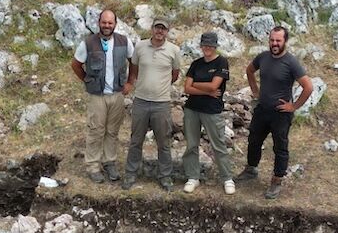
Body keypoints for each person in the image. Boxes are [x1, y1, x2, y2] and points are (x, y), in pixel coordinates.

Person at [240, 25, 313, 200]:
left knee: (280, 147)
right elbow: (249, 70)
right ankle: (251, 169)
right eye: (272, 40)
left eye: (278, 40)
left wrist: (293, 106)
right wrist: (255, 91)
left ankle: (277, 180)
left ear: (285, 41)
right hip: (262, 109)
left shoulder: (291, 62)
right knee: (254, 140)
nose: (274, 43)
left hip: (281, 113)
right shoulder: (263, 57)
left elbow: (308, 87)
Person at [71, 9, 131, 182]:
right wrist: (87, 81)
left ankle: (109, 162)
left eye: (110, 23)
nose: (107, 25)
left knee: (112, 131)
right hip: (97, 96)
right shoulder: (88, 43)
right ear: (99, 23)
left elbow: (133, 62)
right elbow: (76, 64)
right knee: (96, 131)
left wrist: (130, 82)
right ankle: (93, 166)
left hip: (117, 95)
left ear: (115, 24)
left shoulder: (124, 42)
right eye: (104, 22)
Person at [123, 19, 182, 190]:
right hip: (140, 100)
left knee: (163, 141)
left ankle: (165, 176)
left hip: (161, 103)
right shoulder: (140, 46)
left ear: (167, 31)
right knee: (136, 139)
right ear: (152, 28)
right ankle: (131, 173)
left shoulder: (174, 50)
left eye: (163, 29)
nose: (160, 31)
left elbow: (175, 75)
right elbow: (134, 70)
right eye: (157, 27)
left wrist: (160, 87)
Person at [180, 30, 235, 195]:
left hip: (212, 110)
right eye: (204, 45)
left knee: (218, 145)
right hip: (192, 109)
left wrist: (198, 85)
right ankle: (192, 177)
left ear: (216, 46)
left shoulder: (222, 62)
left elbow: (214, 86)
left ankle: (227, 179)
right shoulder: (196, 63)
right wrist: (207, 90)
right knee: (191, 144)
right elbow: (186, 88)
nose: (207, 48)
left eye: (210, 45)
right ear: (201, 46)